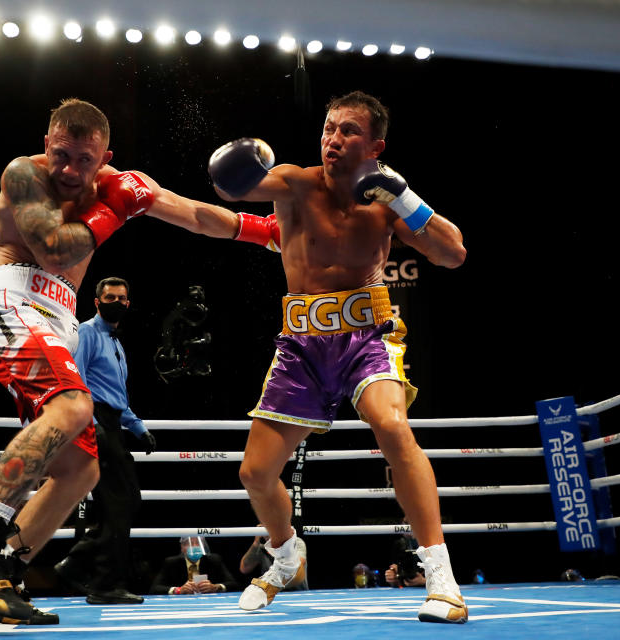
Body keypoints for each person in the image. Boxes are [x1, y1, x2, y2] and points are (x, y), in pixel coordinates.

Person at [0, 98, 241, 625]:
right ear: (47, 142)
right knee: (75, 406)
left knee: (81, 470)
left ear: (106, 158)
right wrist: (117, 209)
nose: (70, 169)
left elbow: (193, 215)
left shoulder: (115, 183)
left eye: (85, 160)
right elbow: (54, 249)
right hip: (12, 303)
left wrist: (264, 232)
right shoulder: (23, 175)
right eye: (62, 154)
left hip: (57, 319)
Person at [206, 90, 469, 623]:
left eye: (348, 130)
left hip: (367, 338)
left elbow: (453, 253)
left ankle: (441, 578)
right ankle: (284, 554)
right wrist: (235, 164)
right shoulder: (297, 182)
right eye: (329, 128)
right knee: (255, 474)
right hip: (301, 346)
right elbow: (232, 188)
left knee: (392, 428)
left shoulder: (386, 203)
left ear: (376, 146)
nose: (333, 139)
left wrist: (404, 197)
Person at [52, 276, 153, 606]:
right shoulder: (87, 333)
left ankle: (79, 563)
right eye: (111, 297)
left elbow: (116, 397)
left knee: (124, 503)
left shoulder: (116, 343)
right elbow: (75, 380)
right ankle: (103, 583)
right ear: (96, 301)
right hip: (95, 424)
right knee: (120, 503)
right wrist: (90, 426)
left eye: (123, 298)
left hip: (111, 424)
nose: (118, 302)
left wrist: (138, 427)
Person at [150, 535, 239, 595]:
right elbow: (155, 588)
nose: (195, 547)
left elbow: (234, 584)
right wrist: (178, 590)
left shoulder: (214, 560)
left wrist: (215, 587)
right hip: (182, 605)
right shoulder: (171, 562)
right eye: (190, 544)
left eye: (198, 543)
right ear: (182, 547)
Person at [239, 527, 308, 590]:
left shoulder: (296, 542)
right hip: (270, 595)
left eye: (269, 527)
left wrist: (269, 583)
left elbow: (298, 568)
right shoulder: (261, 548)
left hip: (297, 593)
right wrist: (256, 542)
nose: (267, 533)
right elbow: (244, 568)